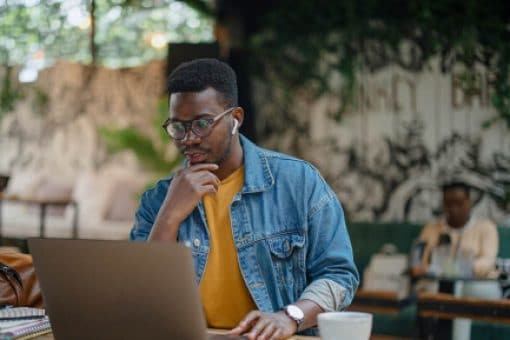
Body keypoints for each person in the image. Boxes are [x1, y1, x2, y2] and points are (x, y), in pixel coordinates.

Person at [130, 58, 359, 339]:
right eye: (178, 127)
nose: (188, 139)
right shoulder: (158, 200)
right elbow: (142, 300)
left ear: (235, 119)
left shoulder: (298, 183)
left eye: (202, 124)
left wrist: (290, 316)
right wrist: (168, 216)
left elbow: (339, 277)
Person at [410, 181, 499, 280]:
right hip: (435, 284)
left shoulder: (486, 228)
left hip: (475, 285)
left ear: (469, 202)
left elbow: (487, 261)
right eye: (448, 203)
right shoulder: (431, 229)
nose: (454, 208)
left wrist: (453, 270)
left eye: (459, 203)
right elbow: (421, 263)